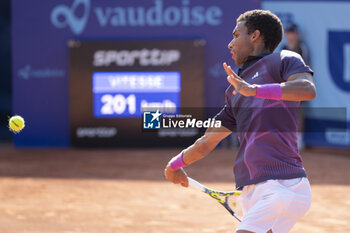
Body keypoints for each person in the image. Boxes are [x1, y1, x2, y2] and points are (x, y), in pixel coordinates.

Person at [164, 9, 316, 233]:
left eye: (236, 35)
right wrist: (175, 165)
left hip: (282, 186)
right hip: (254, 191)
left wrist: (254, 90)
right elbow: (205, 142)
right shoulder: (234, 93)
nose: (230, 44)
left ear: (254, 36)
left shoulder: (284, 59)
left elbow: (307, 89)